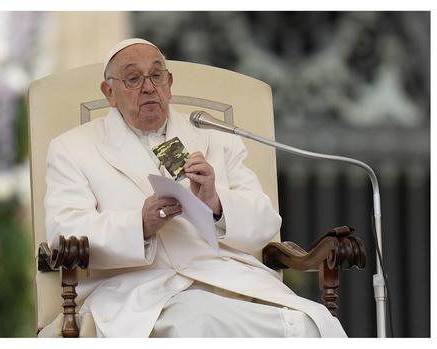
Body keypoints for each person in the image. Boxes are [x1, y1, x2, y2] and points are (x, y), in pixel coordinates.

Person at [43, 38, 347, 337]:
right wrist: (139, 225)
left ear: (170, 83)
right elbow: (64, 232)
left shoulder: (215, 136)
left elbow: (266, 221)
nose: (148, 87)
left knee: (310, 326)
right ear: (109, 92)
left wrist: (216, 204)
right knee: (198, 321)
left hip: (230, 281)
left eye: (156, 75)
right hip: (143, 292)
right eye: (133, 79)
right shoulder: (73, 148)